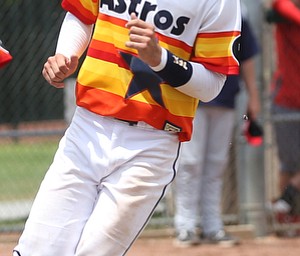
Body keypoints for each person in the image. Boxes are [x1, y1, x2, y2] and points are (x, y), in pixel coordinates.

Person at [13, 1, 241, 255]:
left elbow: (212, 84)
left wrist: (161, 60)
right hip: (87, 127)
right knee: (37, 248)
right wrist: (67, 53)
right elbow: (82, 14)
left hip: (150, 144)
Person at [174, 11, 261, 247]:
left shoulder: (238, 16)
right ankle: (185, 225)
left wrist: (254, 97)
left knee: (216, 163)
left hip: (225, 98)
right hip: (193, 99)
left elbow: (248, 58)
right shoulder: (190, 10)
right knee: (191, 162)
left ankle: (213, 226)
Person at [267, 0, 300, 235]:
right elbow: (279, 5)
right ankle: (287, 219)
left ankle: (286, 200)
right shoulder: (283, 7)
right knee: (288, 164)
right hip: (286, 98)